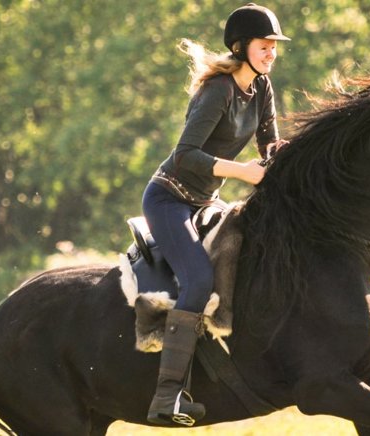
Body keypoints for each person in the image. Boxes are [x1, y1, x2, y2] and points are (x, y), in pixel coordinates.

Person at [142, 3, 290, 427]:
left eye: (274, 47)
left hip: (206, 201)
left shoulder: (262, 87)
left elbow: (270, 146)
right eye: (265, 46)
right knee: (200, 280)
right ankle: (167, 396)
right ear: (241, 47)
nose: (271, 54)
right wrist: (241, 172)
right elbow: (185, 155)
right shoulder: (219, 90)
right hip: (170, 199)